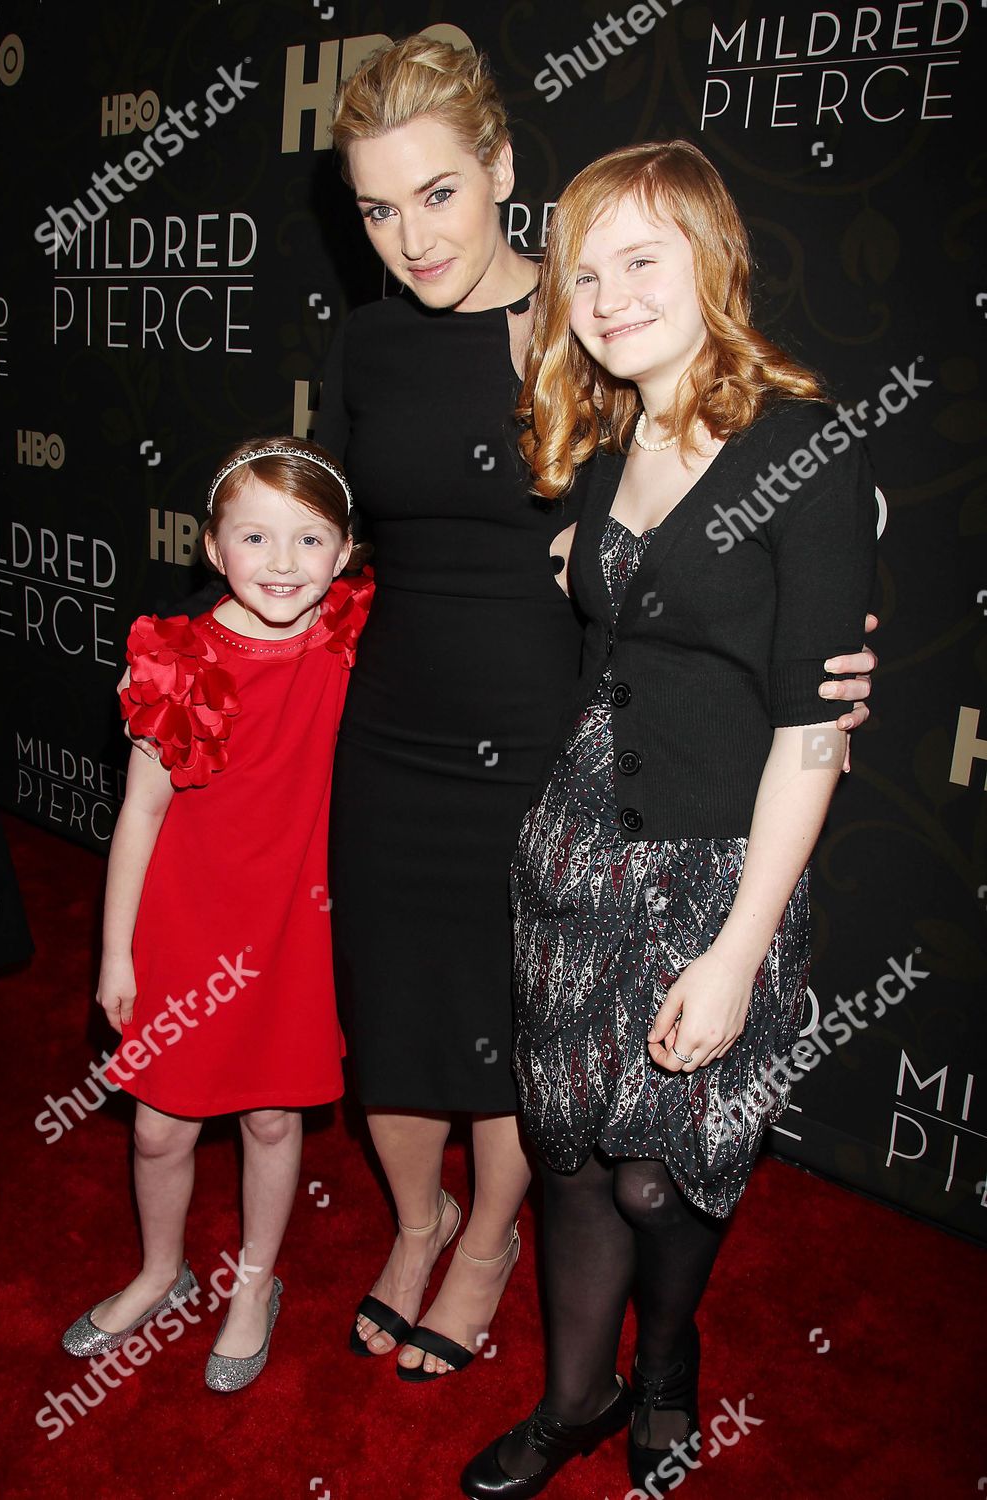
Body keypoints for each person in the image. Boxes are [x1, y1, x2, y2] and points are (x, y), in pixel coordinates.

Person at [317, 37, 878, 1383]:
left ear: (502, 169)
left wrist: (821, 633)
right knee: (393, 1010)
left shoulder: (592, 329)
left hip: (548, 734)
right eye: (379, 210)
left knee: (523, 1030)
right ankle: (417, 1224)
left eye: (439, 194)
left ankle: (486, 1243)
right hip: (392, 728)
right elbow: (327, 531)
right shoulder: (370, 345)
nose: (412, 238)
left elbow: (755, 479)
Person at [461, 141, 878, 1498]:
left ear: (714, 262)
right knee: (574, 1160)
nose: (608, 298)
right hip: (572, 858)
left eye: (643, 260)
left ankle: (666, 1363)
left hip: (716, 876)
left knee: (660, 1178)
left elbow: (812, 736)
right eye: (583, 273)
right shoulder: (606, 442)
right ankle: (575, 1398)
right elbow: (623, 608)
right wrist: (579, 563)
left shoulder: (803, 449)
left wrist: (738, 952)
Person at [61, 437, 374, 1392]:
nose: (282, 563)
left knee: (273, 1119)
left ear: (345, 551)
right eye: (255, 536)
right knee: (158, 1128)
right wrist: (117, 954)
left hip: (292, 926)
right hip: (185, 926)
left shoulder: (350, 636)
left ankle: (255, 1283)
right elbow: (139, 816)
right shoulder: (179, 662)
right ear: (212, 546)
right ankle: (162, 1271)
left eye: (309, 539)